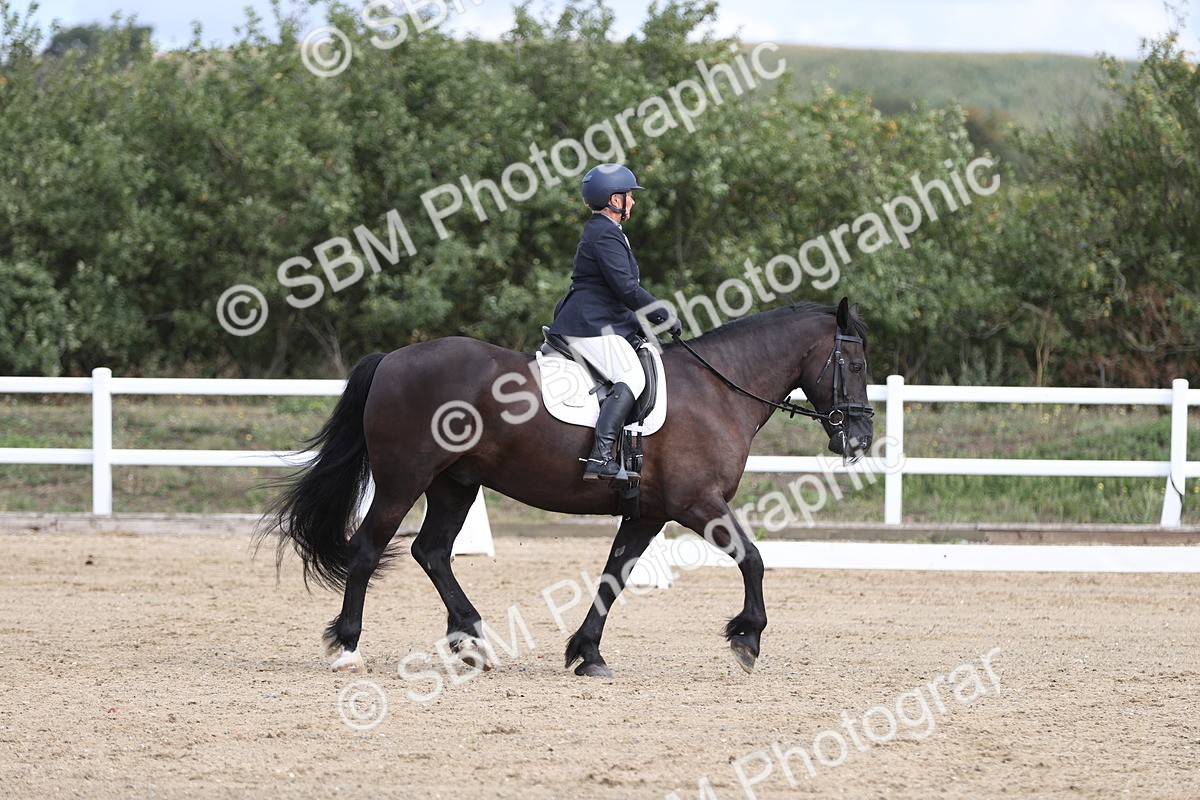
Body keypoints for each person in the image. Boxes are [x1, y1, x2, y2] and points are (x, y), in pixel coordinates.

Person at [548, 163, 682, 482]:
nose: (633, 202)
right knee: (632, 376)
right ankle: (601, 455)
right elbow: (625, 288)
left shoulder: (606, 231)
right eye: (628, 196)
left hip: (598, 318)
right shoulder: (604, 233)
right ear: (614, 200)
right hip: (590, 323)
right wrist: (662, 313)